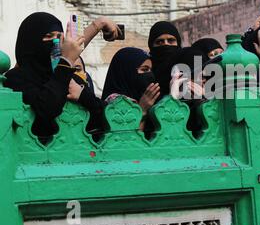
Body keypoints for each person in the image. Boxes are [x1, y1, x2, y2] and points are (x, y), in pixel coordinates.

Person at [4, 12, 86, 143]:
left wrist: (82, 95)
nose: (55, 43)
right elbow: (48, 108)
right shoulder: (15, 78)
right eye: (49, 36)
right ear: (31, 40)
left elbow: (99, 110)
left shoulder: (65, 75)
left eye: (59, 37)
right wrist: (66, 63)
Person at [102, 47, 160, 132]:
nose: (150, 74)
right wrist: (142, 110)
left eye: (150, 70)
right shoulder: (116, 101)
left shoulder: (142, 96)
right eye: (144, 69)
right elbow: (128, 139)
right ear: (127, 71)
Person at [72, 56, 107, 139]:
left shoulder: (99, 108)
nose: (72, 78)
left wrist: (85, 97)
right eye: (62, 70)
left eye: (77, 69)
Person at [148, 21, 183, 97]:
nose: (166, 44)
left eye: (171, 40)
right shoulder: (146, 73)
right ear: (151, 45)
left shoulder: (189, 69)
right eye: (160, 42)